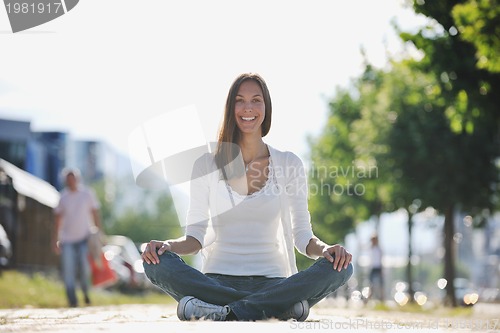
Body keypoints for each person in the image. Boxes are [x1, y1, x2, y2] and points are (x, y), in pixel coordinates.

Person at [141, 73, 353, 321]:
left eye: (256, 100)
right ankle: (276, 309)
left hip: (274, 284)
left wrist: (327, 249)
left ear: (266, 107)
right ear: (230, 108)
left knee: (342, 267)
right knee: (155, 261)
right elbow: (195, 238)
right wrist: (167, 246)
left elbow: (303, 237)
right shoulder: (206, 164)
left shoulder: (289, 164)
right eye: (240, 100)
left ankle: (221, 311)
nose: (248, 108)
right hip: (216, 282)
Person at [52, 168, 102, 307]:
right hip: (67, 240)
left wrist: (99, 234)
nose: (71, 181)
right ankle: (72, 300)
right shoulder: (63, 197)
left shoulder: (87, 194)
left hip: (84, 239)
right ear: (65, 181)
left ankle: (86, 293)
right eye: (68, 179)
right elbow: (57, 221)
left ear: (77, 179)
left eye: (73, 178)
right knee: (68, 271)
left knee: (85, 269)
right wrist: (55, 240)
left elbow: (95, 213)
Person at [369, 234, 384, 301]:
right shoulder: (371, 248)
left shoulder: (378, 249)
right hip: (373, 268)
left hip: (378, 268)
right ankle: (369, 299)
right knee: (371, 284)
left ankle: (382, 299)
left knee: (381, 285)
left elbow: (380, 260)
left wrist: (382, 269)